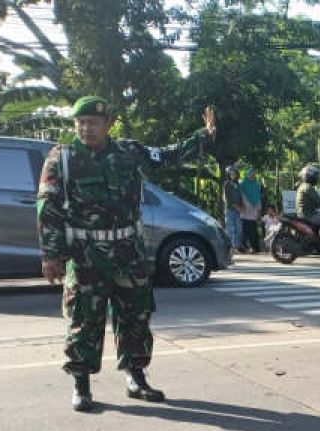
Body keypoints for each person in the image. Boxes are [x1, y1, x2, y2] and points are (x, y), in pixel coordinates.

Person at [38, 96, 216, 412]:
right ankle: (81, 384)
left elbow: (169, 156)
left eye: (93, 122)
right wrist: (51, 255)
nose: (86, 128)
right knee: (83, 320)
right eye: (81, 122)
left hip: (127, 252)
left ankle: (136, 377)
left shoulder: (129, 153)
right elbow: (47, 208)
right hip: (85, 254)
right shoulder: (61, 159)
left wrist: (204, 135)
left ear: (109, 124)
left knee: (136, 316)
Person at [240, 168, 263, 252]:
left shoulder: (257, 185)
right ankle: (243, 247)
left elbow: (258, 197)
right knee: (244, 230)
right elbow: (241, 195)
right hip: (245, 209)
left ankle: (255, 248)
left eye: (253, 174)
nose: (252, 176)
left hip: (254, 210)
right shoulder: (242, 184)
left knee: (253, 230)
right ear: (247, 175)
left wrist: (258, 209)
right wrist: (247, 204)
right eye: (250, 174)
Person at [223, 165, 244, 252]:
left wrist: (242, 206)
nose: (233, 175)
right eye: (231, 173)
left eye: (234, 173)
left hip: (238, 210)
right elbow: (228, 199)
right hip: (230, 210)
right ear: (228, 174)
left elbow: (240, 197)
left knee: (239, 228)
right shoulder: (227, 184)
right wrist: (236, 207)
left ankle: (236, 246)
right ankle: (230, 247)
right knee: (230, 229)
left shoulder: (238, 184)